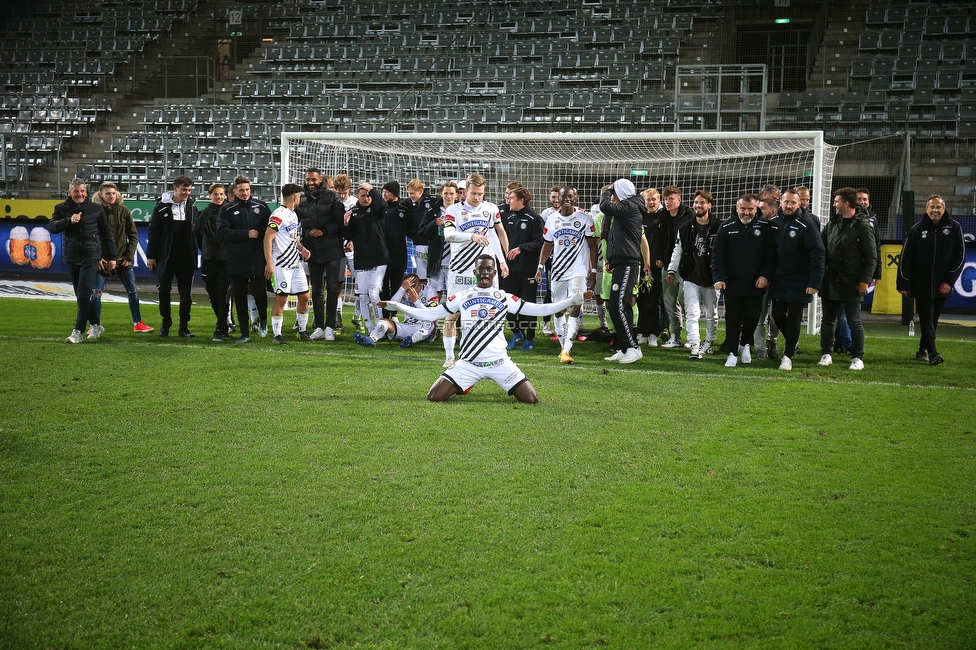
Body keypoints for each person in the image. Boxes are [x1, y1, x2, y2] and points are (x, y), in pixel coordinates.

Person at [381, 255, 592, 403]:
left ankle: (468, 384)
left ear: (494, 272)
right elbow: (432, 314)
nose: (484, 272)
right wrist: (397, 306)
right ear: (475, 271)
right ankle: (464, 382)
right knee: (434, 397)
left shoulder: (504, 297)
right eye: (481, 269)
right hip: (468, 363)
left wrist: (573, 299)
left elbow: (539, 309)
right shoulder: (462, 297)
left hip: (500, 363)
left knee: (531, 399)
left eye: (488, 269)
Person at [441, 173, 510, 368]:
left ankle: (495, 351)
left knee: (493, 310)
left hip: (486, 271)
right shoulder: (453, 210)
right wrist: (471, 236)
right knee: (453, 314)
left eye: (480, 194)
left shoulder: (491, 209)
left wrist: (502, 261)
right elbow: (448, 235)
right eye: (473, 193)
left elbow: (494, 236)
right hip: (461, 269)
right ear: (465, 192)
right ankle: (449, 356)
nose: (477, 197)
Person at [897, 194, 966, 365]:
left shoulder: (955, 228)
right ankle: (933, 354)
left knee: (932, 319)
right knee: (927, 318)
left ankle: (922, 350)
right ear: (926, 209)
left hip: (943, 285)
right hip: (921, 284)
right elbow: (905, 259)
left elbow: (960, 257)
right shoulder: (916, 230)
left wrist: (949, 281)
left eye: (938, 207)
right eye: (932, 207)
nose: (935, 210)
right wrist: (903, 283)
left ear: (944, 209)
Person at [46, 179, 118, 343]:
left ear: (86, 192)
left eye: (82, 191)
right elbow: (51, 227)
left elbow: (106, 234)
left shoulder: (96, 208)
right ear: (69, 192)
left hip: (91, 256)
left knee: (84, 293)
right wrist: (68, 221)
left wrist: (113, 257)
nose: (80, 194)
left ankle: (77, 332)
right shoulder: (61, 209)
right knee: (81, 296)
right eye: (76, 191)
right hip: (72, 256)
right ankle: (96, 324)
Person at [817, 187, 877, 371]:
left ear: (846, 204)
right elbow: (822, 249)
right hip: (830, 280)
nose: (834, 204)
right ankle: (826, 353)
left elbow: (871, 257)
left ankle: (858, 357)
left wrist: (864, 282)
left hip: (852, 282)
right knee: (827, 320)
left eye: (836, 201)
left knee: (854, 320)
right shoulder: (832, 224)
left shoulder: (863, 226)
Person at [535, 185, 597, 364]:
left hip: (578, 271)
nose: (567, 199)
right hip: (558, 272)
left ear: (575, 198)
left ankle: (567, 349)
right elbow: (547, 244)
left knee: (575, 307)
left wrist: (593, 270)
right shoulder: (551, 219)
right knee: (558, 309)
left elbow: (593, 245)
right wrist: (540, 266)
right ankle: (563, 347)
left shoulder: (585, 218)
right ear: (558, 200)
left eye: (570, 196)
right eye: (563, 197)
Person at [712, 195, 775, 367]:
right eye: (743, 209)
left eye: (750, 209)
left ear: (756, 209)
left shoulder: (765, 227)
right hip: (732, 283)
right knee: (733, 318)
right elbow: (717, 255)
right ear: (737, 208)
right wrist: (719, 278)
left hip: (756, 283)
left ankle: (745, 344)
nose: (746, 212)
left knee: (753, 316)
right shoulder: (726, 227)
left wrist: (765, 276)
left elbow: (771, 255)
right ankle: (732, 352)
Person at [768, 189, 825, 370]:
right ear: (781, 203)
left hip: (800, 281)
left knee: (794, 319)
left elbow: (818, 253)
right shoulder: (774, 223)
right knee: (776, 316)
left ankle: (788, 356)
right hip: (778, 280)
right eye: (786, 202)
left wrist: (814, 282)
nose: (789, 205)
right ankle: (793, 339)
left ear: (799, 204)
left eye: (793, 202)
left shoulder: (806, 224)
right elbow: (768, 253)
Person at [90, 181, 153, 334]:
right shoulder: (94, 212)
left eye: (113, 193)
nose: (111, 196)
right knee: (96, 293)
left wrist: (128, 256)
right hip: (102, 260)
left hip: (122, 259)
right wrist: (97, 257)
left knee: (132, 290)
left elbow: (133, 235)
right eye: (108, 193)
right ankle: (94, 326)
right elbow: (91, 237)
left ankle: (138, 323)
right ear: (100, 195)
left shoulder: (124, 211)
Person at [217, 175, 272, 343]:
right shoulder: (226, 210)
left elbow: (271, 231)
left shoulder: (261, 207)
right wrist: (245, 234)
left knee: (260, 294)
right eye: (241, 190)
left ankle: (262, 320)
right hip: (236, 259)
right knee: (239, 297)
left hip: (257, 259)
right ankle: (244, 333)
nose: (245, 193)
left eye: (247, 190)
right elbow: (222, 233)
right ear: (234, 191)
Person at [667, 190, 720, 359]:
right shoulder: (685, 228)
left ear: (709, 205)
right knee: (692, 312)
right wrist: (671, 269)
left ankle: (709, 343)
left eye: (702, 202)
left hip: (712, 277)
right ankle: (695, 345)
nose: (698, 205)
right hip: (690, 276)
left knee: (712, 313)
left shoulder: (719, 226)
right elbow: (678, 250)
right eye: (696, 202)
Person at [599, 178, 648, 364]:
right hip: (621, 262)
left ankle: (633, 348)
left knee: (618, 305)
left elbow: (604, 206)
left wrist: (607, 191)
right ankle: (623, 347)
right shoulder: (628, 207)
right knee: (621, 305)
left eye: (614, 193)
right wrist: (612, 259)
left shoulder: (629, 207)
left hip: (628, 263)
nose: (612, 197)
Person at [297, 167, 346, 342]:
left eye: (313, 180)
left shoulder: (332, 196)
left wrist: (323, 231)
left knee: (332, 288)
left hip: (332, 248)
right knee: (316, 289)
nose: (310, 183)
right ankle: (319, 326)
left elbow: (339, 223)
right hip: (312, 250)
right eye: (307, 179)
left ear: (320, 180)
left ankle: (330, 327)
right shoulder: (300, 198)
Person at [147, 176, 199, 338]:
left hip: (186, 258)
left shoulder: (192, 207)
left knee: (186, 294)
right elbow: (153, 233)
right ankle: (166, 321)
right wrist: (151, 256)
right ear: (175, 188)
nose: (187, 193)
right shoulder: (161, 208)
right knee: (163, 290)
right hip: (166, 257)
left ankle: (184, 326)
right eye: (184, 189)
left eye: (189, 190)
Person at [264, 184, 312, 345]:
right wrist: (269, 263)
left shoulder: (293, 214)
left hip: (295, 263)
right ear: (295, 197)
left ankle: (302, 330)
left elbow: (291, 238)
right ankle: (277, 334)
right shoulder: (278, 215)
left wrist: (302, 248)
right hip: (281, 264)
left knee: (304, 296)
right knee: (282, 298)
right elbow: (267, 239)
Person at [342, 181, 389, 333]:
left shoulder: (377, 209)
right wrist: (346, 223)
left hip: (379, 257)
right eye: (363, 196)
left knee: (374, 293)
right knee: (362, 295)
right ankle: (369, 328)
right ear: (357, 197)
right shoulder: (353, 212)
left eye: (368, 195)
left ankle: (380, 325)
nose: (366, 198)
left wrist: (372, 189)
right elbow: (348, 235)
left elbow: (382, 205)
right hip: (361, 258)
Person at [502, 185, 545, 352]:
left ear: (521, 201)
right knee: (507, 304)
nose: (508, 200)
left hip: (527, 270)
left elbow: (540, 242)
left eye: (512, 198)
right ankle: (517, 332)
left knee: (528, 305)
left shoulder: (534, 218)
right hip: (510, 269)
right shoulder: (509, 216)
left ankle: (530, 338)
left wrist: (521, 248)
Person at [655, 185, 693, 348]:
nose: (668, 202)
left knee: (686, 301)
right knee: (669, 301)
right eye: (666, 199)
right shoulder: (662, 216)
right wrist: (660, 257)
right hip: (667, 264)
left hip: (685, 265)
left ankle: (693, 338)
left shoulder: (690, 215)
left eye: (671, 198)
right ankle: (676, 337)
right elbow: (658, 239)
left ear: (679, 199)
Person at [354, 274, 438, 347]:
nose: (409, 294)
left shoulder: (430, 291)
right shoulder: (404, 291)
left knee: (430, 323)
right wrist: (401, 289)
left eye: (412, 290)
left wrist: (416, 301)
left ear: (420, 286)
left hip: (423, 328)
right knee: (384, 321)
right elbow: (393, 307)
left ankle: (412, 340)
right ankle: (371, 339)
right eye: (407, 291)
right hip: (407, 326)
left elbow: (431, 316)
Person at [193, 183, 232, 341]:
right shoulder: (204, 213)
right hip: (209, 260)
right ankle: (222, 326)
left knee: (223, 294)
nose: (219, 197)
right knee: (213, 295)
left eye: (221, 194)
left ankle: (219, 328)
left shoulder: (229, 213)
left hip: (226, 261)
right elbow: (196, 231)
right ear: (210, 196)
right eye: (216, 194)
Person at [753, 194, 781, 359]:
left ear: (773, 210)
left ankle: (772, 340)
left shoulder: (780, 226)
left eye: (762, 208)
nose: (758, 211)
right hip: (760, 278)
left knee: (776, 315)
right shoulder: (757, 226)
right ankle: (760, 349)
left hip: (778, 279)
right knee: (759, 316)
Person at [636, 188, 664, 347]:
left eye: (654, 199)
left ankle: (654, 333)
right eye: (648, 199)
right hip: (640, 265)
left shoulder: (663, 218)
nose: (651, 202)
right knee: (641, 299)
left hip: (657, 266)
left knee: (654, 300)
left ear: (659, 201)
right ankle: (641, 331)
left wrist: (661, 259)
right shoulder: (639, 217)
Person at [333, 173, 359, 333]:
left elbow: (361, 226)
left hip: (354, 249)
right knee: (337, 284)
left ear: (349, 189)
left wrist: (353, 241)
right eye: (339, 192)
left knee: (360, 284)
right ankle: (338, 319)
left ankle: (357, 317)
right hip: (337, 248)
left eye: (345, 192)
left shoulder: (355, 203)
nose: (342, 196)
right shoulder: (332, 203)